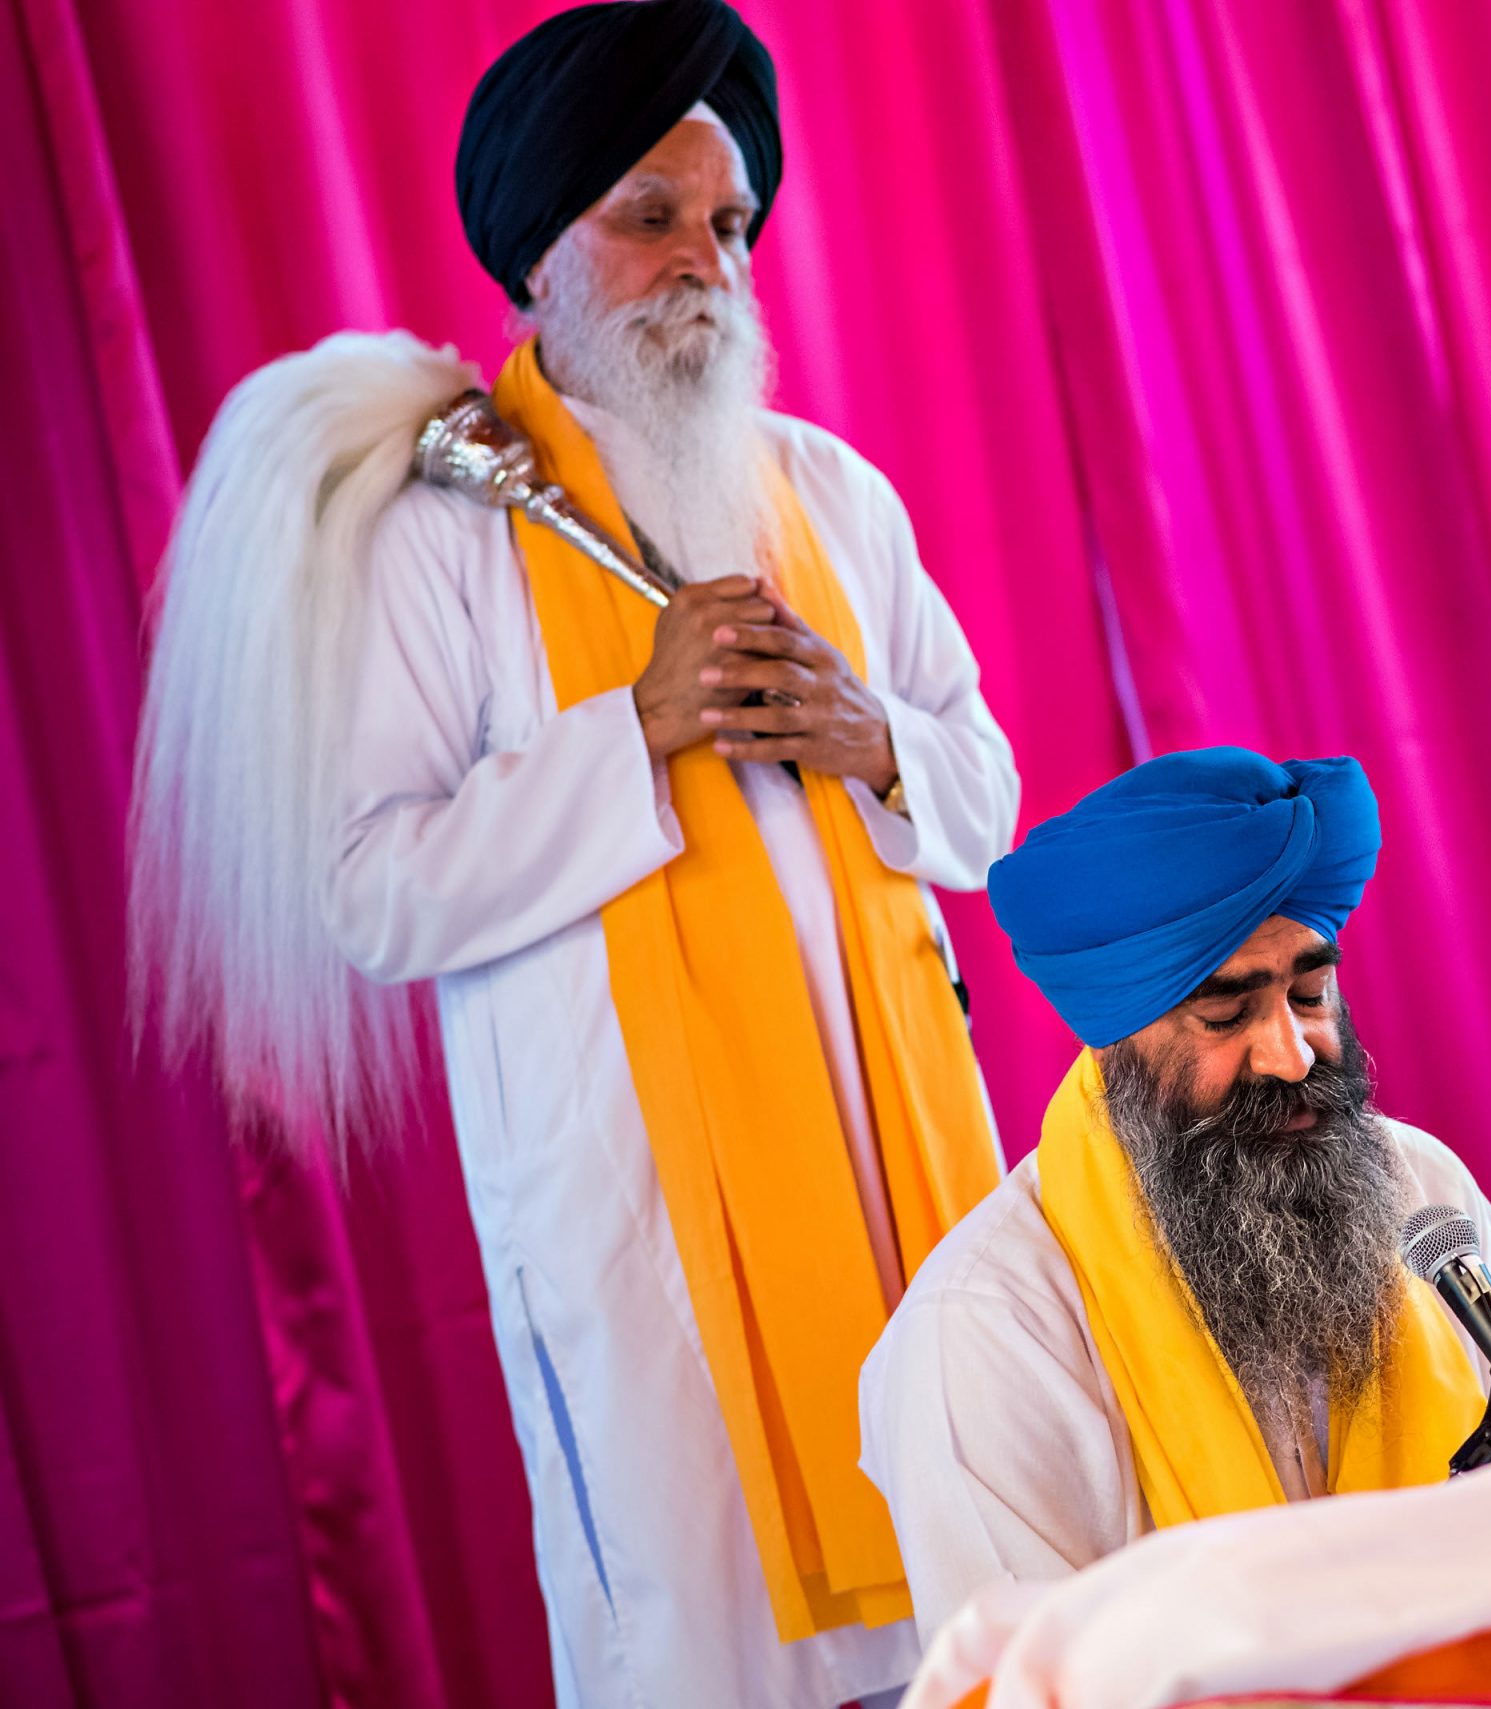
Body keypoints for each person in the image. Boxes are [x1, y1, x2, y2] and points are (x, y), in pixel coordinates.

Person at [131, 2, 1016, 1701]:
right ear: (540, 254)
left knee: (974, 1623)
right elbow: (367, 887)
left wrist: (871, 734)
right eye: (652, 217)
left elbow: (980, 797)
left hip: (907, 1179)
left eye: (732, 224)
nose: (709, 262)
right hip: (645, 1235)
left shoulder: (835, 497)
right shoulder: (440, 541)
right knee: (718, 1636)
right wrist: (639, 730)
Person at [858, 748, 1491, 1639]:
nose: (1292, 1055)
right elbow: (1036, 1682)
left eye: (1311, 991)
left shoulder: (1422, 1186)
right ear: (1117, 1036)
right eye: (1226, 1014)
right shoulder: (988, 1328)